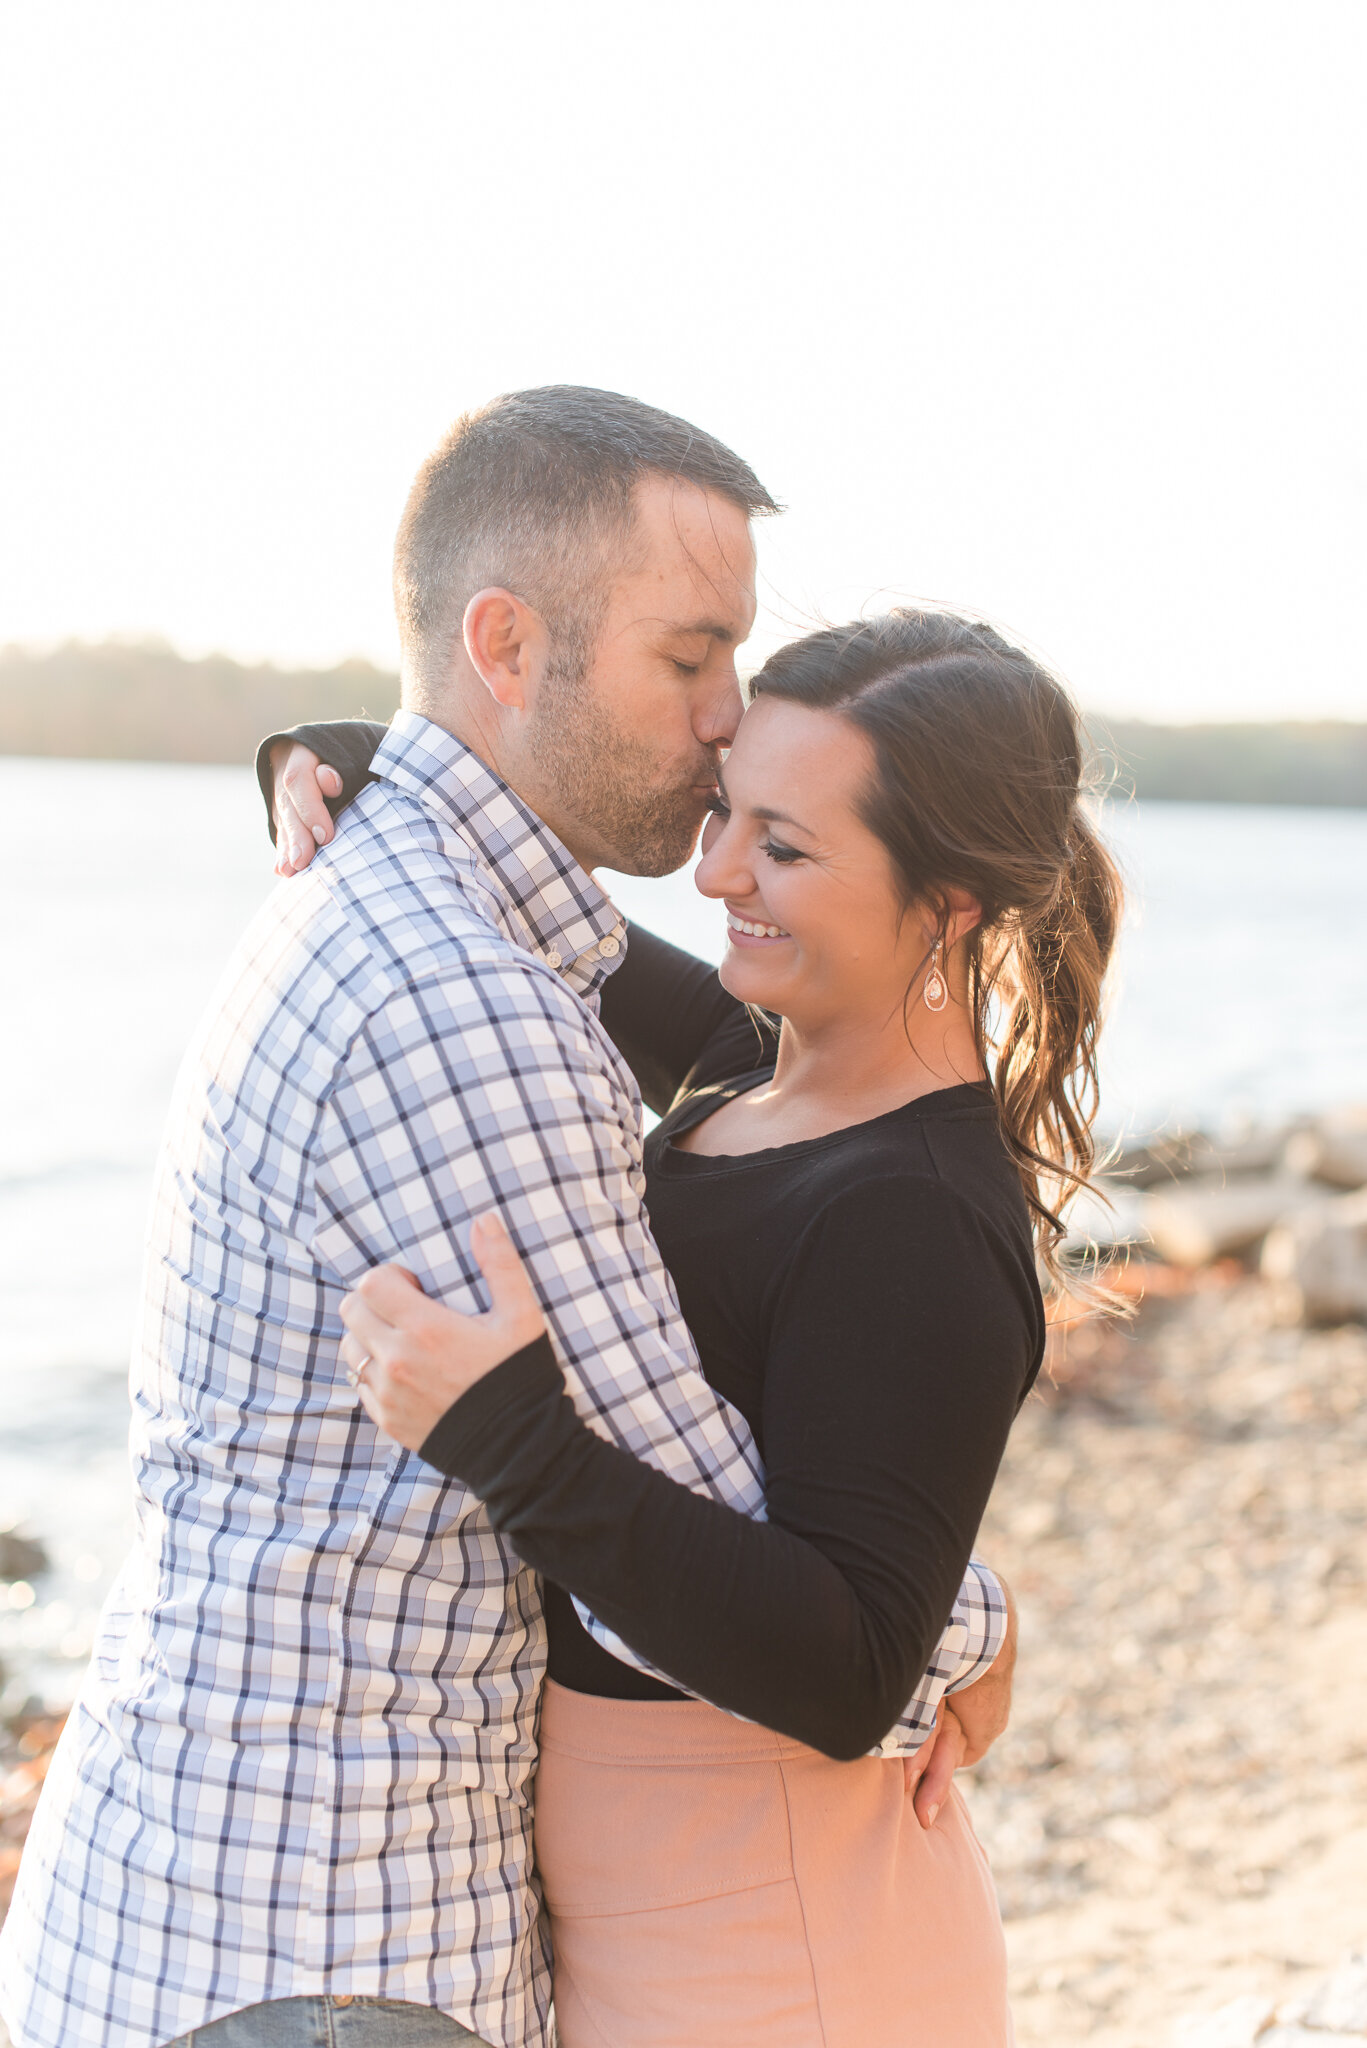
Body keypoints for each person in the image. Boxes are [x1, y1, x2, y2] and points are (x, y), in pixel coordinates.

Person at [0, 391, 1008, 2048]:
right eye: (689, 658)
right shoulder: (460, 1003)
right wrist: (968, 1616)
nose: (722, 719)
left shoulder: (418, 907)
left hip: (249, 1924)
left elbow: (793, 1072)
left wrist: (373, 753)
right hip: (324, 1956)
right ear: (507, 642)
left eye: (735, 663)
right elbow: (705, 1548)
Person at [259, 607, 1122, 2046]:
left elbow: (848, 1668)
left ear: (953, 900)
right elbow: (522, 909)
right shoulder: (750, 1062)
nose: (716, 873)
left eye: (782, 847)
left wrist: (513, 1445)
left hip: (776, 1936)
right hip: (649, 1899)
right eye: (726, 814)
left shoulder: (918, 1214)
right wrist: (338, 768)